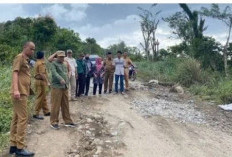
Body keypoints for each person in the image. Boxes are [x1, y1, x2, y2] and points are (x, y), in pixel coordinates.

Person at [9, 41, 35, 156]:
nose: (32, 51)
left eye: (34, 49)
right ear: (25, 47)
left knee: (16, 118)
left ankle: (13, 145)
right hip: (19, 92)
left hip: (23, 92)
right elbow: (15, 73)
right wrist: (16, 90)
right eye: (31, 48)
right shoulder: (19, 57)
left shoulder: (26, 60)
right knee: (23, 118)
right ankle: (20, 148)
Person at [50, 51, 76, 130]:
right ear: (57, 56)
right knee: (56, 105)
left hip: (64, 87)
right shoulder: (54, 63)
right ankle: (54, 122)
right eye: (60, 56)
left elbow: (67, 72)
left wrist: (67, 80)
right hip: (57, 87)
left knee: (65, 104)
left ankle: (68, 121)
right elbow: (54, 73)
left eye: (63, 57)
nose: (62, 58)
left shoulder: (64, 64)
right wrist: (60, 79)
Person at [33, 51, 50, 120]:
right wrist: (47, 82)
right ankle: (36, 113)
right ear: (43, 56)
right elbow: (42, 74)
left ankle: (46, 111)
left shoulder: (37, 62)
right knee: (40, 97)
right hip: (41, 82)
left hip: (38, 81)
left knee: (43, 97)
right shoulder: (41, 63)